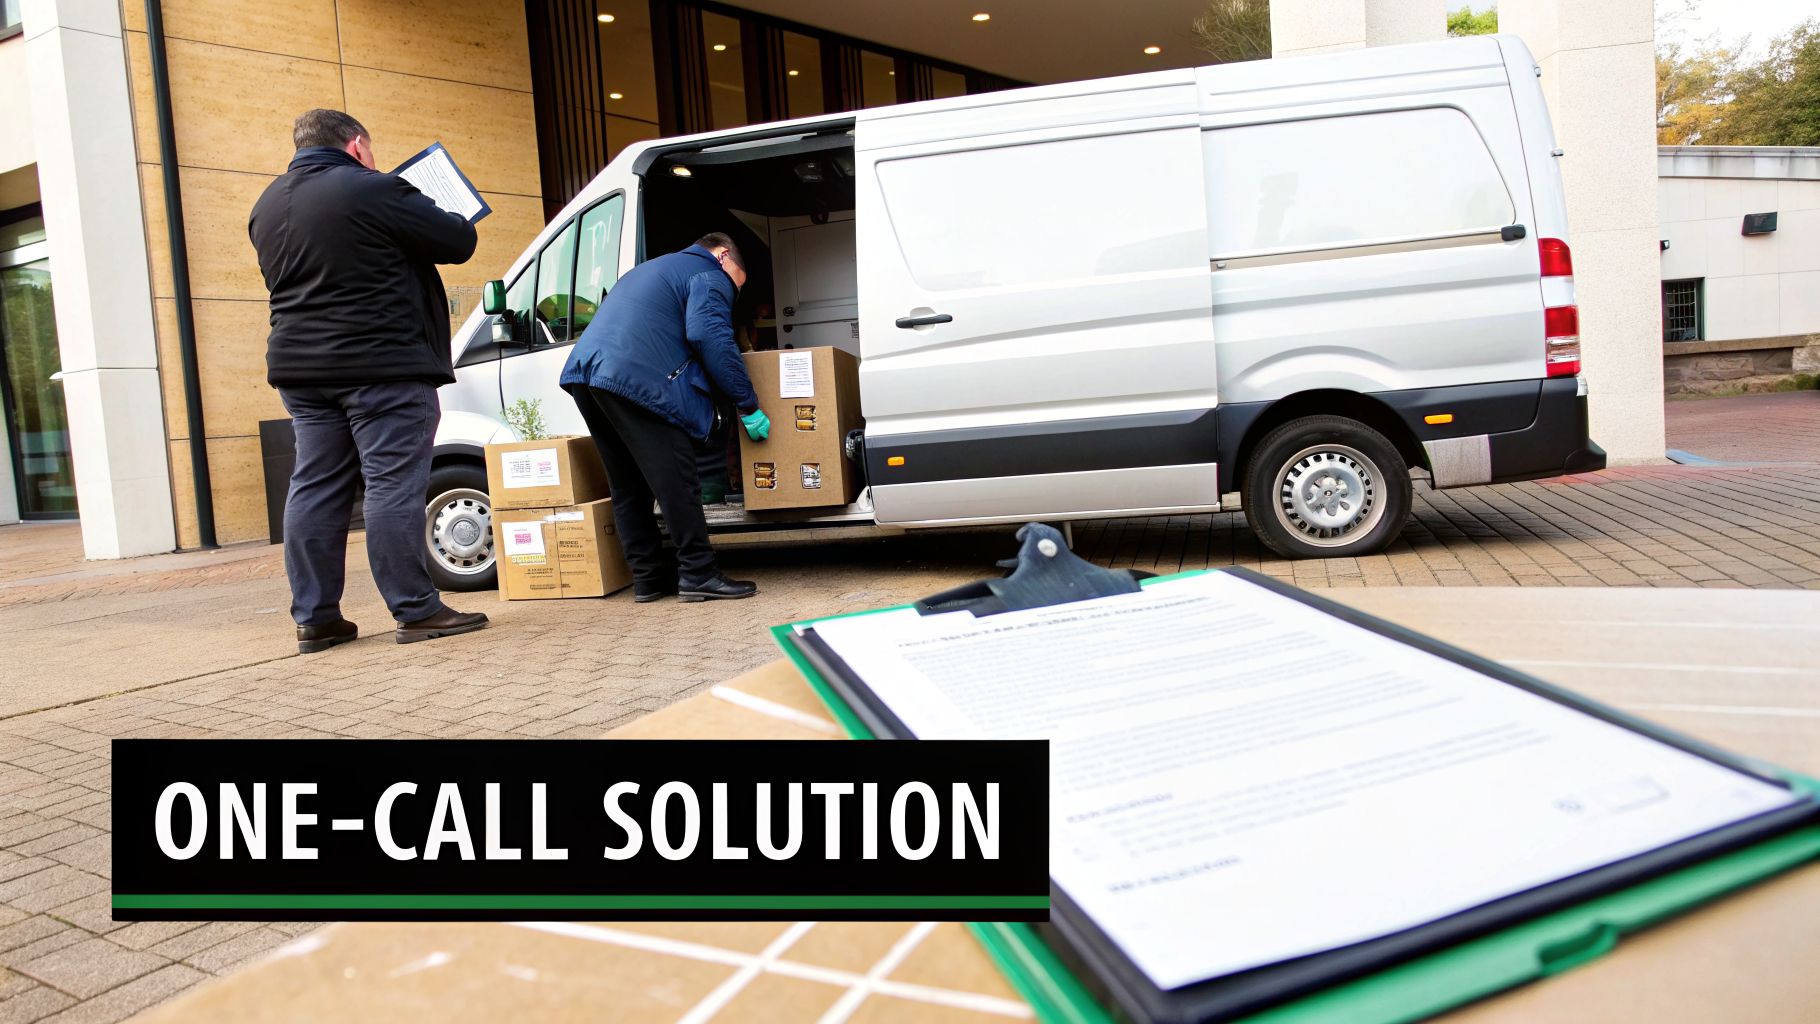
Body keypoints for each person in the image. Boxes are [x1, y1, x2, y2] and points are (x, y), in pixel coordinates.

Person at [249, 109, 490, 654]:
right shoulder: (373, 188)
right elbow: (457, 241)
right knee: (392, 484)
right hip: (383, 367)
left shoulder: (266, 205)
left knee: (315, 486)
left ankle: (316, 618)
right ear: (356, 145)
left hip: (302, 373)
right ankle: (416, 609)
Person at [560, 233, 771, 603]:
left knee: (628, 485)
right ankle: (698, 574)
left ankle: (649, 579)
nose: (733, 294)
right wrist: (748, 404)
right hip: (634, 379)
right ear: (723, 256)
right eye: (736, 283)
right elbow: (711, 336)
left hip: (587, 376)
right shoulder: (707, 273)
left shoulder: (654, 268)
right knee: (676, 479)